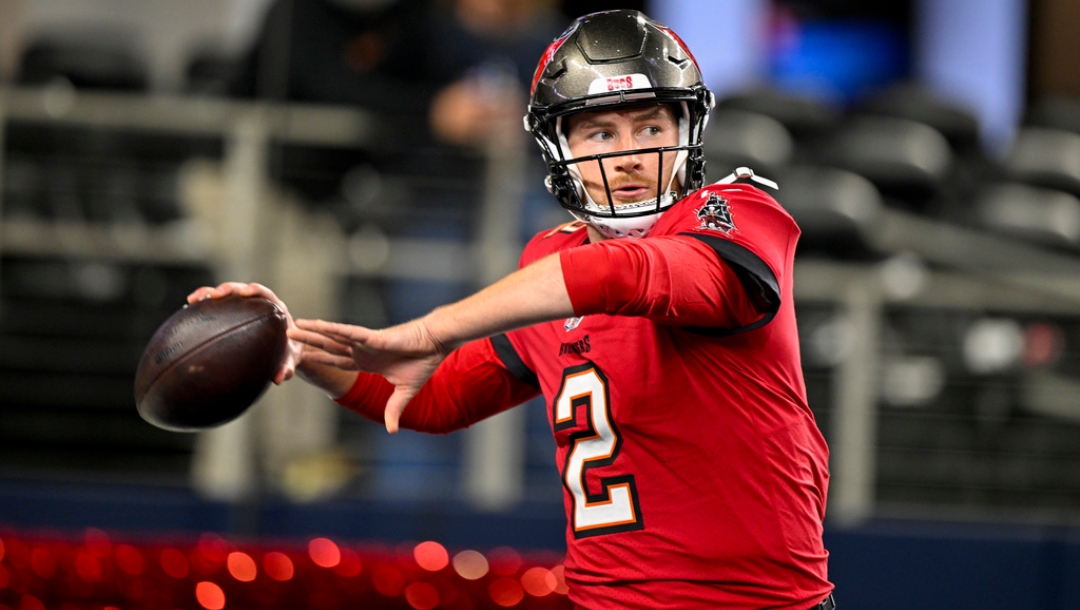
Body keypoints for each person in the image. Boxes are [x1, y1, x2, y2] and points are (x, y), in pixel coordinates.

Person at [190, 10, 835, 609]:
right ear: (561, 149)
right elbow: (430, 396)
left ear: (685, 131)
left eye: (650, 126)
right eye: (601, 131)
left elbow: (625, 276)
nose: (631, 153)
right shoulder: (547, 265)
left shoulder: (737, 214)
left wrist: (431, 327)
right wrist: (295, 346)